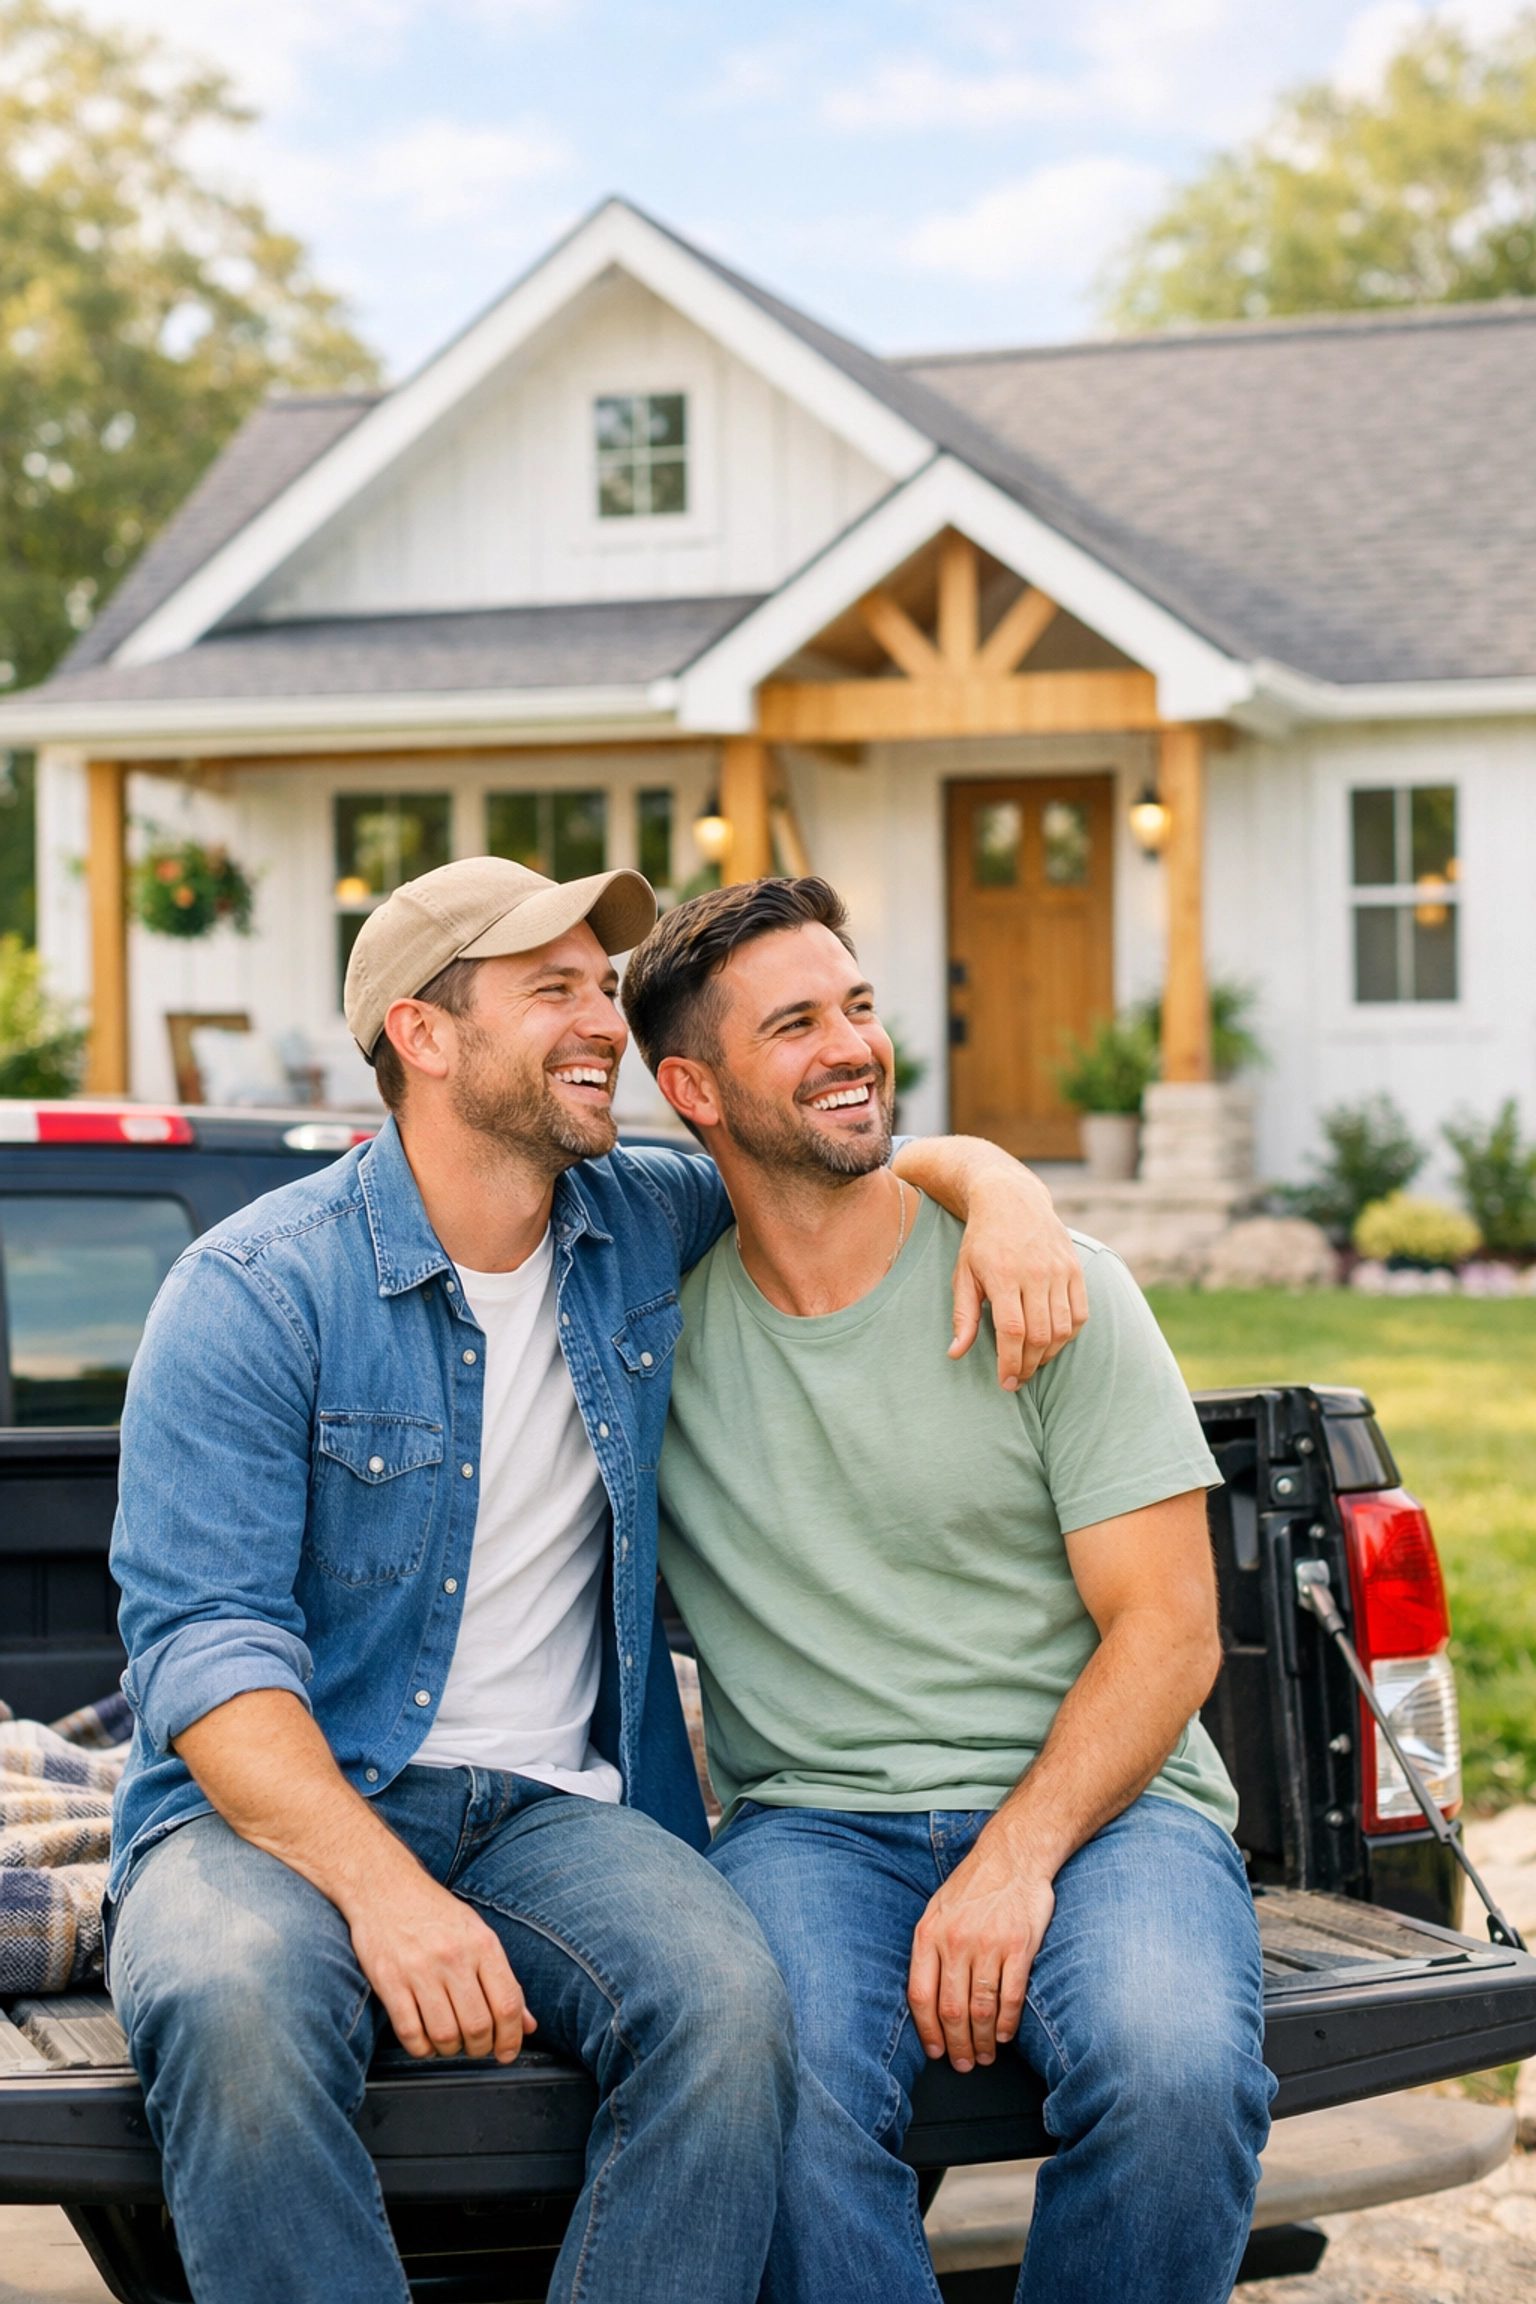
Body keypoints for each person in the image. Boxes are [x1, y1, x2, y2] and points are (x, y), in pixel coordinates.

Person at [106, 855, 1087, 2304]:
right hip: (275, 1816)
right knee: (233, 2005)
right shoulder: (254, 1291)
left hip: (555, 1811)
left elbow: (829, 1153)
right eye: (551, 990)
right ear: (424, 1038)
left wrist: (1000, 1186)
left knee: (731, 2005)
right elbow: (208, 1647)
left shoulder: (641, 1220)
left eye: (602, 987)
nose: (604, 1023)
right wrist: (386, 1897)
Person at [621, 875, 1277, 2304]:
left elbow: (1168, 1635)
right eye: (794, 1024)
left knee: (1178, 2081)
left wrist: (1017, 1855)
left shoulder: (1046, 1288)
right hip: (812, 1826)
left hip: (1112, 1812)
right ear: (694, 1088)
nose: (853, 1044)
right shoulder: (646, 1337)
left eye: (857, 1005)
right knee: (762, 2095)